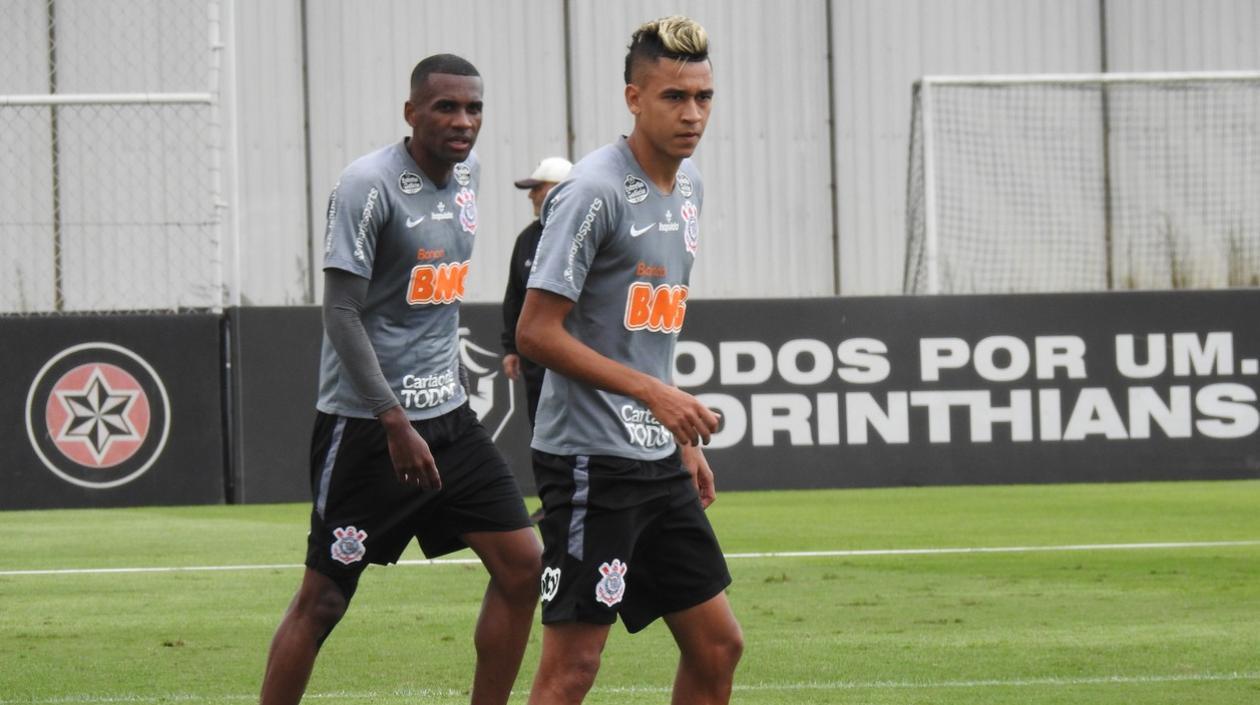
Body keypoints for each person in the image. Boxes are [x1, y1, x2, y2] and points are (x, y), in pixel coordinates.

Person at [259, 54, 542, 705]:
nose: (462, 120)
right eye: (446, 107)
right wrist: (392, 418)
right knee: (324, 598)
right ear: (411, 112)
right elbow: (339, 311)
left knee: (523, 566)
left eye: (473, 108)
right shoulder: (367, 184)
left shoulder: (466, 177)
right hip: (367, 425)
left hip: (448, 417)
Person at [516, 16, 742, 705]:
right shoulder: (592, 190)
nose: (693, 113)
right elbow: (535, 332)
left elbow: (648, 331)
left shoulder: (691, 187)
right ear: (633, 98)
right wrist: (654, 394)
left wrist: (675, 434)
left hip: (653, 457)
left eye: (703, 95)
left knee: (717, 645)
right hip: (590, 462)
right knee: (574, 665)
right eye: (674, 96)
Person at [501, 156, 573, 427]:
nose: (531, 194)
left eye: (537, 187)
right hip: (537, 366)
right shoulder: (527, 238)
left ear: (557, 189)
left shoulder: (584, 232)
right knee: (541, 432)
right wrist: (511, 348)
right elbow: (515, 296)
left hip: (576, 363)